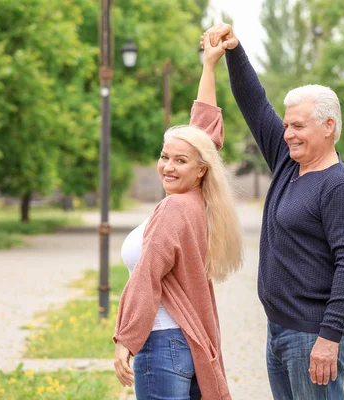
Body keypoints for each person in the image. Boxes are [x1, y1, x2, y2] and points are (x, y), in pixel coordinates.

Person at [203, 24, 344, 399]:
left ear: (328, 127)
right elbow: (254, 103)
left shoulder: (341, 188)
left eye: (298, 126)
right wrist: (235, 50)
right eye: (286, 125)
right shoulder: (287, 160)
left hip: (312, 335)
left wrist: (329, 338)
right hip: (279, 328)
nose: (288, 134)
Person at [113, 33, 242, 400]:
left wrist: (127, 337)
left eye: (179, 161)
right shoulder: (199, 199)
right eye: (164, 156)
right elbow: (204, 137)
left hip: (161, 343)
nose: (167, 166)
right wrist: (208, 66)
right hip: (185, 342)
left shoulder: (174, 208)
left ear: (200, 169)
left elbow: (149, 274)